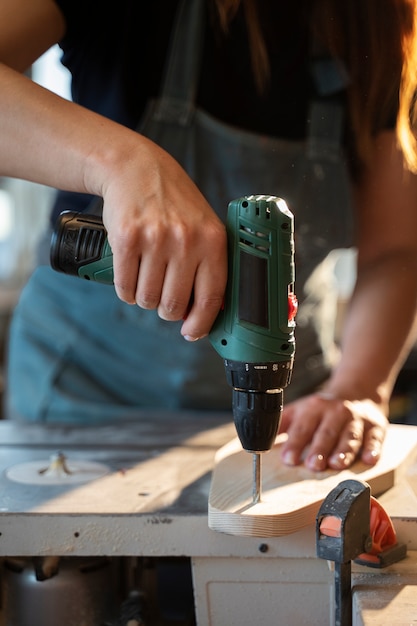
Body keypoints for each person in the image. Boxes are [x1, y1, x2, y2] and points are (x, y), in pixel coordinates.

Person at [2, 0, 417, 473]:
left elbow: (394, 252)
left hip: (296, 415)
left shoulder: (378, 19)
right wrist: (121, 163)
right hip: (81, 397)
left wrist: (358, 388)